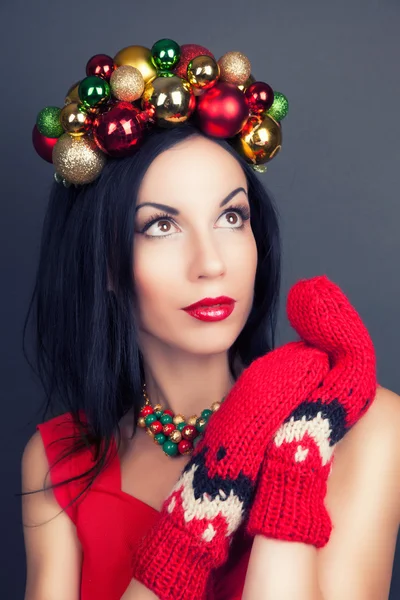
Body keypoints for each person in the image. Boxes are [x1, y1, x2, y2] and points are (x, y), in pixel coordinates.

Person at [21, 42, 400, 600]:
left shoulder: (369, 426)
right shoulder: (60, 463)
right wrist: (199, 512)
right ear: (103, 263)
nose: (211, 263)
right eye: (160, 226)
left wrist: (290, 462)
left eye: (230, 216)